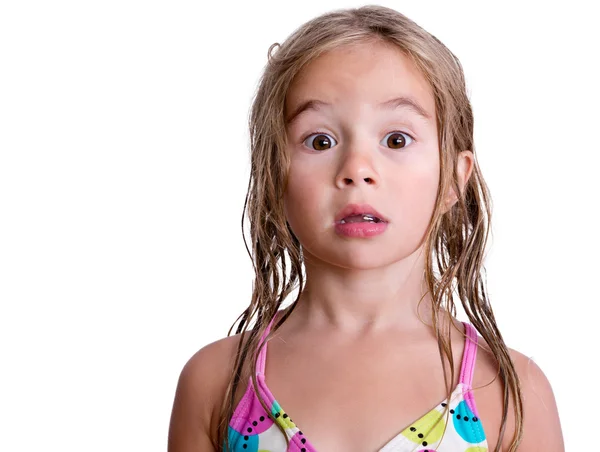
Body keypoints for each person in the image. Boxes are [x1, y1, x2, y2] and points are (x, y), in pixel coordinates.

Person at [167, 5, 564, 452]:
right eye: (320, 141)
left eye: (396, 139)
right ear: (273, 175)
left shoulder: (511, 391)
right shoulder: (216, 383)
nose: (356, 169)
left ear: (454, 178)